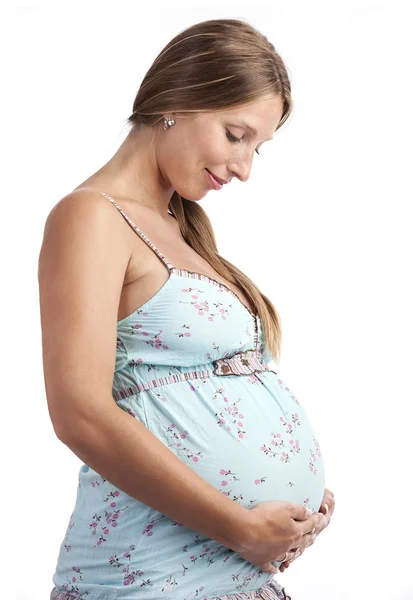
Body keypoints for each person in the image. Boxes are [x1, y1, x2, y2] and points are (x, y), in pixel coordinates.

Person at [38, 17, 334, 600]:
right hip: (149, 575)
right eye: (235, 134)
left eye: (257, 146)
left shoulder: (183, 230)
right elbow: (80, 414)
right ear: (178, 99)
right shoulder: (92, 217)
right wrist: (241, 526)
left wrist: (296, 499)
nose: (245, 167)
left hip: (229, 574)